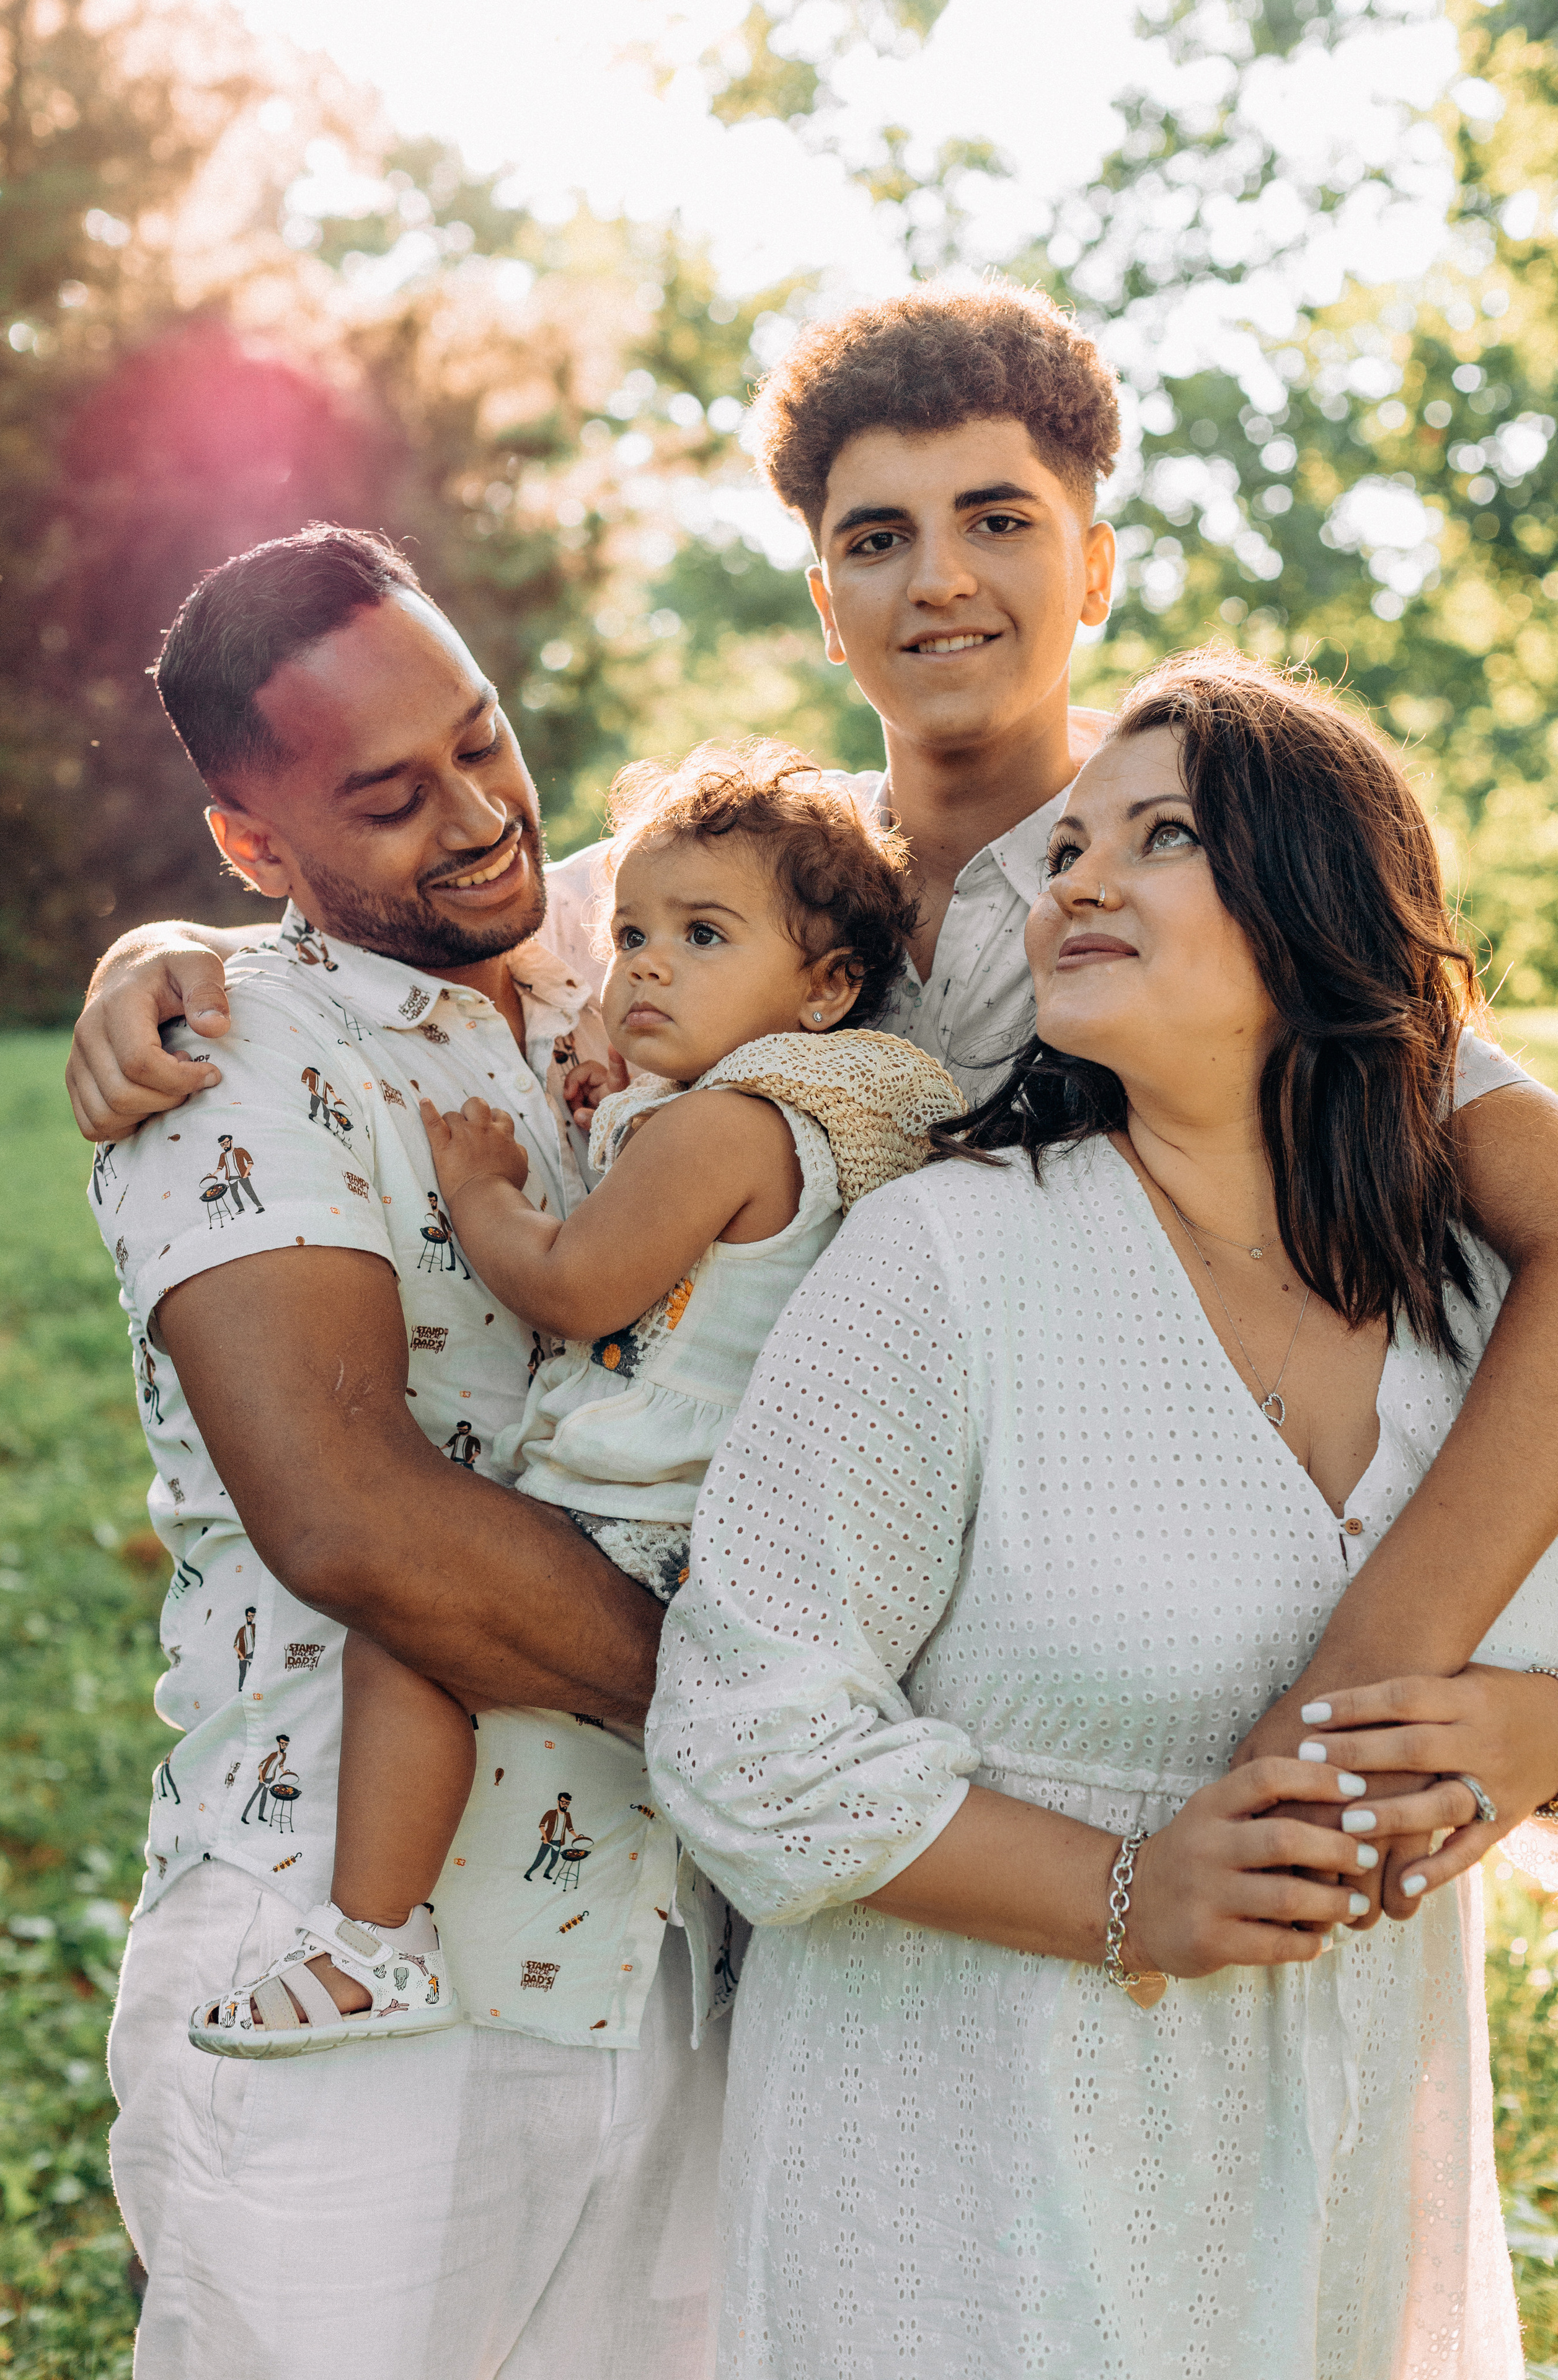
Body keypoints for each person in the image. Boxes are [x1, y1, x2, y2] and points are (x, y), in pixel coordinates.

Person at [63, 285, 1558, 1866]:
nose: (942, 581)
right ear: (824, 604)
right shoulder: (707, 881)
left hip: (1144, 1707)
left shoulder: (1207, 901)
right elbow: (430, 921)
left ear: (1095, 563)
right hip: (813, 1758)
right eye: (875, 540)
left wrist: (1411, 1700)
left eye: (997, 519)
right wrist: (169, 948)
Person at [645, 652, 1558, 2377]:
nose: (1076, 881)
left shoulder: (1469, 1309)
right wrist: (1127, 1889)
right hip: (969, 2183)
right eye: (1069, 849)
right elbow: (742, 1739)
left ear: (1320, 901)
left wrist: (1539, 1733)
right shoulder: (949, 1263)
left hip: (1345, 2175)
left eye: (1159, 838)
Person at [87, 526, 727, 2380]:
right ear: (253, 849)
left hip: (656, 1951)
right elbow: (354, 1519)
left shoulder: (641, 950)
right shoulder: (232, 1050)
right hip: (352, 1968)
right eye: (388, 797)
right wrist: (764, 1713)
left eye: (481, 738)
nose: (475, 816)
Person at [188, 743, 959, 2056]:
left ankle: (373, 1943)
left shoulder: (730, 1128)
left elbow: (573, 1285)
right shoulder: (745, 1119)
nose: (643, 965)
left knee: (411, 1640)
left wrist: (485, 1196)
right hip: (694, 1522)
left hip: (648, 1519)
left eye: (700, 937)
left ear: (826, 990)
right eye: (632, 933)